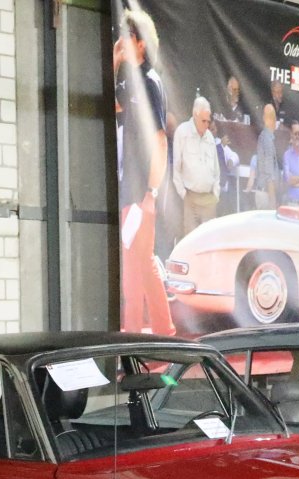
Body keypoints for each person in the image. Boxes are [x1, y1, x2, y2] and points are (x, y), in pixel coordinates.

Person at [113, 9, 174, 334]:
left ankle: (155, 334)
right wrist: (113, 62)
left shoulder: (150, 83)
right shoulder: (131, 79)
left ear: (140, 43)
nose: (121, 41)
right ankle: (148, 332)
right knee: (136, 264)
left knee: (140, 265)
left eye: (127, 37)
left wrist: (152, 192)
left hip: (142, 192)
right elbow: (113, 105)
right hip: (130, 188)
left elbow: (160, 141)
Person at [172, 96, 221, 237]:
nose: (206, 125)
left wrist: (215, 194)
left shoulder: (210, 137)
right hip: (190, 198)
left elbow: (216, 170)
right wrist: (184, 194)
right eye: (203, 121)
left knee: (209, 241)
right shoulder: (182, 132)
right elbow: (176, 168)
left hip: (209, 198)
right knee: (191, 242)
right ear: (195, 115)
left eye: (208, 121)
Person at [254, 103, 279, 208]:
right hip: (266, 195)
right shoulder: (267, 139)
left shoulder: (265, 137)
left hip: (264, 192)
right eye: (271, 117)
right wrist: (272, 200)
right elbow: (269, 174)